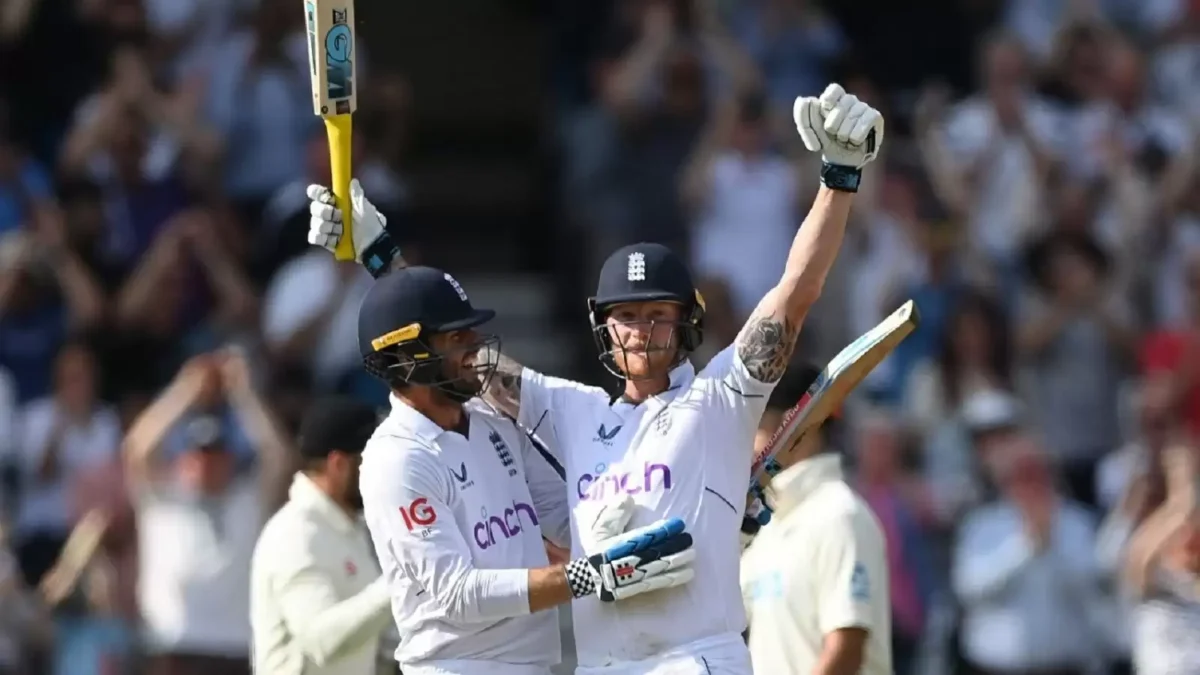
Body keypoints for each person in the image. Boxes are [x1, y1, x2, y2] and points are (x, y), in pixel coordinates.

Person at [308, 83, 884, 674]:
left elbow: (795, 293)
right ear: (603, 327)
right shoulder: (575, 412)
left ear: (687, 323)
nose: (640, 331)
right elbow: (453, 351)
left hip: (694, 660)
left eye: (657, 314)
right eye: (625, 316)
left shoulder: (720, 397)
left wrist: (837, 180)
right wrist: (380, 257)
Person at [352, 265, 696, 675]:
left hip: (531, 664)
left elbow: (568, 521)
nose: (476, 345)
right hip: (459, 666)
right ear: (408, 357)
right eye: (457, 337)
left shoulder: (492, 423)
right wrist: (590, 576)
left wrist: (688, 521)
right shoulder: (398, 458)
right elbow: (458, 595)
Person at [739, 365, 892, 675]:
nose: (747, 446)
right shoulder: (768, 528)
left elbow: (846, 649)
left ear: (793, 429)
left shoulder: (840, 515)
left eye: (756, 427)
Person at [250, 396, 397, 675]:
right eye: (374, 459)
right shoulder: (296, 534)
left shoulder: (351, 526)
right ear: (339, 464)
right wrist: (402, 579)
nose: (386, 472)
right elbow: (320, 642)